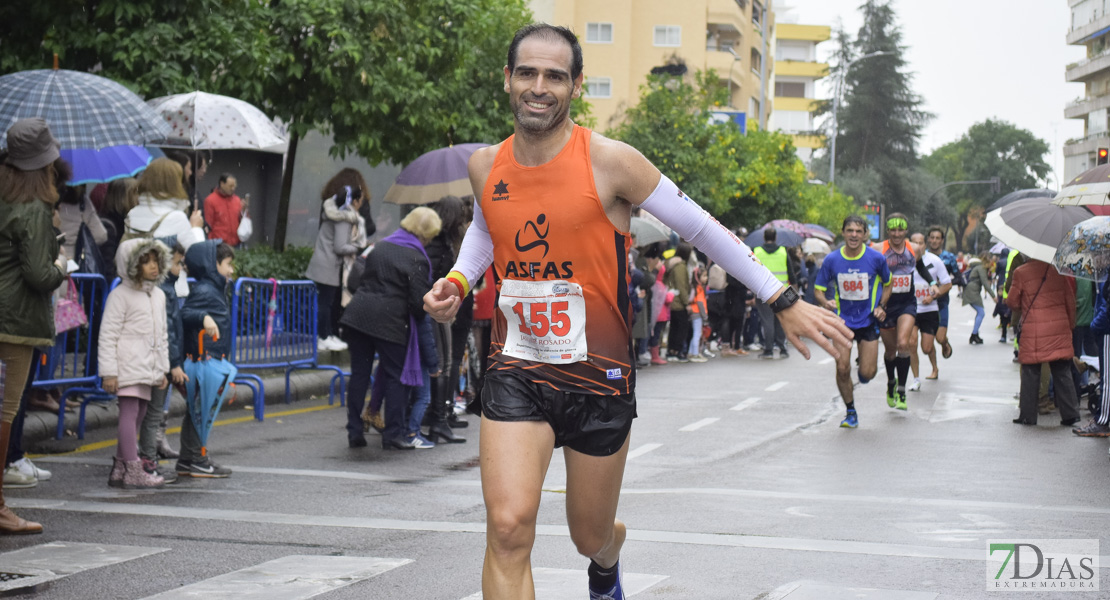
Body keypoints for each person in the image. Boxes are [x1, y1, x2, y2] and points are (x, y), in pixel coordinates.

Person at [422, 24, 851, 600]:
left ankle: (607, 559)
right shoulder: (484, 166)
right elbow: (485, 230)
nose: (539, 87)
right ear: (508, 79)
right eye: (527, 73)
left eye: (554, 76)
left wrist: (781, 298)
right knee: (506, 528)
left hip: (598, 376)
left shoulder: (611, 161)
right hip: (515, 368)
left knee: (588, 533)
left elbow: (700, 228)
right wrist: (456, 279)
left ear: (576, 86)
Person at [0, 118, 72, 534]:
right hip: (15, 323)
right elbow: (39, 276)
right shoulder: (35, 211)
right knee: (6, 412)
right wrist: (61, 264)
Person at [341, 207, 441, 450]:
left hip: (358, 315)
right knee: (397, 377)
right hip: (390, 322)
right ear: (426, 234)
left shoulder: (381, 246)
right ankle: (393, 434)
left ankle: (355, 431)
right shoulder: (417, 258)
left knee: (359, 375)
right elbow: (418, 303)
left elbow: (358, 280)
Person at [99, 238, 171, 489]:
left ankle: (121, 467)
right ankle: (133, 467)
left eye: (155, 260)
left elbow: (162, 335)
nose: (152, 266)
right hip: (127, 366)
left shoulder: (158, 295)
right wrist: (109, 372)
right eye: (145, 261)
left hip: (147, 367)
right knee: (129, 414)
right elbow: (108, 334)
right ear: (130, 264)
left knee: (139, 413)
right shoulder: (120, 295)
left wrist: (163, 369)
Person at [814, 215, 891, 428]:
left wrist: (881, 306)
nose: (854, 235)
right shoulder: (832, 260)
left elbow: (888, 283)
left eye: (858, 231)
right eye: (850, 231)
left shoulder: (876, 259)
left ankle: (863, 372)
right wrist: (825, 303)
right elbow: (818, 290)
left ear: (865, 234)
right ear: (843, 233)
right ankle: (850, 411)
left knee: (868, 373)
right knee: (842, 368)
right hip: (842, 321)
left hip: (868, 321)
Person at [175, 240, 236, 478]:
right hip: (204, 361)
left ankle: (188, 459)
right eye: (228, 264)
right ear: (212, 265)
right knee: (199, 411)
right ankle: (196, 459)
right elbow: (186, 314)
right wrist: (204, 318)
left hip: (209, 359)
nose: (231, 270)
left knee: (198, 411)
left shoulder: (213, 288)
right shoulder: (205, 290)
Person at [1007, 258, 1080, 426]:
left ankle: (1028, 415)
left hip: (1034, 327)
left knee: (1030, 371)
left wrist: (1024, 306)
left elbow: (1012, 301)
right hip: (1059, 326)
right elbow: (1070, 299)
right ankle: (1071, 414)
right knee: (1062, 370)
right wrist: (1070, 324)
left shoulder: (1021, 272)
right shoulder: (1059, 271)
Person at [306, 170, 373, 352]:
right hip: (328, 265)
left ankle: (327, 335)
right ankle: (324, 337)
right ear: (354, 201)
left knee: (325, 302)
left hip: (323, 263)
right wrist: (360, 248)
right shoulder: (344, 219)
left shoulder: (333, 213)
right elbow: (340, 247)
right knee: (326, 303)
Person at [137, 238, 186, 482]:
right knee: (152, 413)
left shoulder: (163, 291)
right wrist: (174, 364)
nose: (180, 268)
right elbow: (169, 333)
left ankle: (145, 460)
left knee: (148, 413)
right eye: (177, 263)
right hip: (158, 363)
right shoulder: (163, 293)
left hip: (157, 361)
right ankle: (146, 461)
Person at [877, 213, 917, 411]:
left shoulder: (915, 248)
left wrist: (934, 284)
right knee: (890, 351)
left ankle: (902, 390)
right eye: (893, 229)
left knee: (904, 343)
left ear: (906, 231)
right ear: (888, 231)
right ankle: (891, 383)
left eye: (900, 229)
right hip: (886, 304)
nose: (897, 233)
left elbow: (923, 268)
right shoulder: (878, 249)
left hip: (907, 303)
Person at [126, 158, 205, 251]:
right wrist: (196, 228)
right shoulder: (176, 217)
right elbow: (197, 254)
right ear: (174, 183)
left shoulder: (132, 213)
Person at [906, 232, 951, 386]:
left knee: (926, 348)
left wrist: (932, 297)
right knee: (911, 343)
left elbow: (947, 283)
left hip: (929, 309)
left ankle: (934, 368)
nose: (918, 246)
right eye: (914, 242)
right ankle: (916, 378)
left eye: (920, 242)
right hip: (911, 308)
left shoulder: (935, 261)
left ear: (925, 244)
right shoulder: (904, 260)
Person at [1075, 276, 1110, 436]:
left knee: (1107, 379)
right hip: (1104, 326)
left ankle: (1103, 420)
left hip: (1106, 329)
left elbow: (1106, 304)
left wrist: (1096, 325)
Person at [753, 227, 792, 359]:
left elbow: (752, 273)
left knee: (767, 321)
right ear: (775, 238)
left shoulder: (757, 251)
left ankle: (768, 350)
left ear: (764, 237)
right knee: (781, 320)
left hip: (763, 292)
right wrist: (793, 296)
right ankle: (782, 349)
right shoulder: (783, 252)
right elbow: (792, 276)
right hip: (781, 293)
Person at [99, 177, 140, 281]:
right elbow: (107, 264)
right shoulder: (109, 225)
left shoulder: (127, 221)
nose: (138, 198)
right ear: (123, 197)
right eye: (135, 193)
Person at [925, 226, 956, 359]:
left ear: (942, 240)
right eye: (932, 238)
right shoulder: (922, 256)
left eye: (937, 238)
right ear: (928, 239)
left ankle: (945, 343)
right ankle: (934, 368)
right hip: (925, 303)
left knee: (939, 337)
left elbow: (958, 277)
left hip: (941, 302)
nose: (934, 241)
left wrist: (944, 283)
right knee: (928, 340)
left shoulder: (948, 257)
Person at [56, 183, 108, 262]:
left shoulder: (49, 203)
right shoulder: (83, 203)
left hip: (54, 260)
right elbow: (101, 235)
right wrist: (82, 242)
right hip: (78, 260)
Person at [664, 242, 692, 362]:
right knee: (681, 327)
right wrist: (687, 303)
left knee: (674, 327)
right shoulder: (680, 266)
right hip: (679, 302)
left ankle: (671, 350)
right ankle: (676, 351)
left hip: (672, 299)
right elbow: (682, 286)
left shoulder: (671, 264)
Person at [961, 252, 996, 343]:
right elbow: (985, 283)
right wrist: (993, 296)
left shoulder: (978, 267)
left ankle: (975, 334)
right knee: (981, 312)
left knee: (980, 312)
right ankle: (974, 334)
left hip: (971, 290)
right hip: (972, 292)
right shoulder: (981, 268)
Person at [204, 173, 243, 246]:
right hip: (219, 243)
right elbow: (208, 223)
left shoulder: (237, 200)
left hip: (236, 242)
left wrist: (244, 212)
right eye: (230, 186)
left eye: (234, 186)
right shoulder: (210, 200)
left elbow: (241, 221)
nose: (233, 188)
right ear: (222, 184)